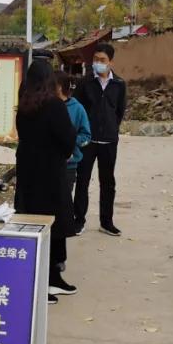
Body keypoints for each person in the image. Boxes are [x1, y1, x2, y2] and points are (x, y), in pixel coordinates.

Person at [15, 61, 77, 304]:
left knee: (35, 224)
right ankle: (45, 284)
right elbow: (67, 139)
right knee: (54, 225)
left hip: (29, 172)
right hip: (50, 173)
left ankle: (51, 278)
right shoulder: (54, 105)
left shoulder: (24, 105)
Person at [74, 43, 127, 237]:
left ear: (111, 62)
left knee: (108, 183)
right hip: (87, 141)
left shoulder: (119, 84)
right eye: (95, 59)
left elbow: (119, 111)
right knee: (82, 181)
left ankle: (106, 222)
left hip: (109, 141)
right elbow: (77, 109)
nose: (98, 63)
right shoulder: (85, 82)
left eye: (102, 60)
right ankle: (79, 220)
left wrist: (111, 128)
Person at [58, 69, 92, 244]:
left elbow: (86, 135)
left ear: (59, 87)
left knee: (64, 199)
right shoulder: (46, 105)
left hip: (69, 164)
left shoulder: (77, 109)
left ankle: (64, 230)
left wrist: (71, 141)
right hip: (49, 163)